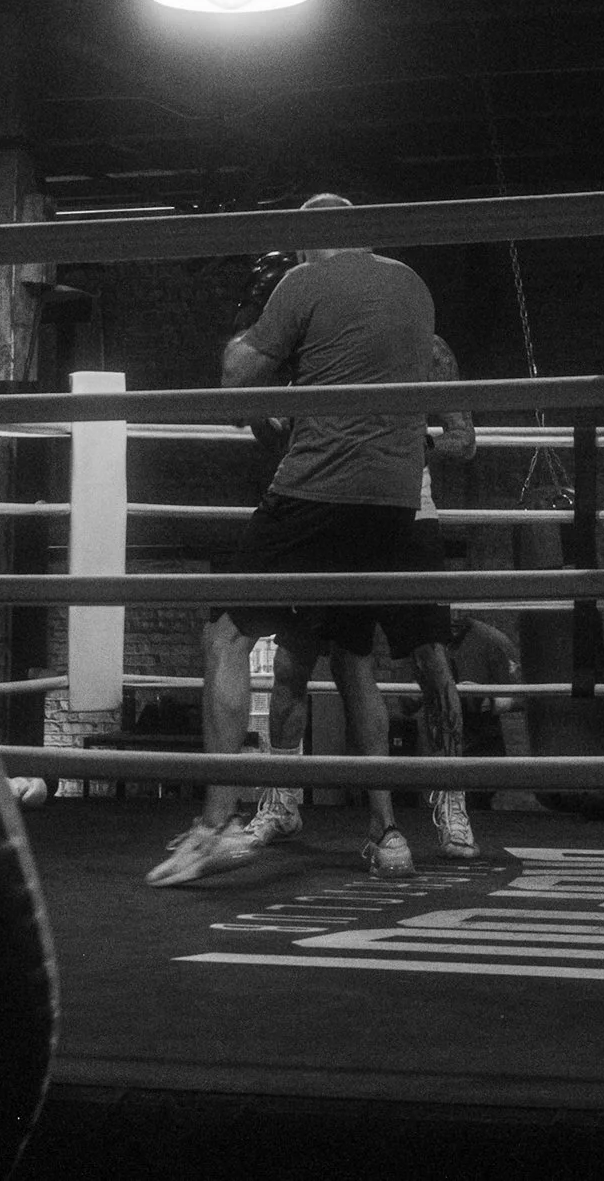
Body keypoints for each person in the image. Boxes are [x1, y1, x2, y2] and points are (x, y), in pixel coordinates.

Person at [148, 194, 438, 887]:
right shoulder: (413, 285)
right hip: (395, 501)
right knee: (354, 658)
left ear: (310, 239)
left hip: (318, 490)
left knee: (226, 634)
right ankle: (387, 832)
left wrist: (251, 330)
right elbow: (358, 372)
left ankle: (216, 825)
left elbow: (236, 380)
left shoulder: (304, 281)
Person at [254, 334, 479, 858]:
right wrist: (256, 414)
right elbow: (285, 438)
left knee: (432, 660)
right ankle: (282, 800)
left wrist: (413, 446)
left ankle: (452, 802)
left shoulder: (427, 349)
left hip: (409, 514)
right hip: (333, 512)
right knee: (297, 658)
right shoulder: (321, 344)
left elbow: (464, 438)